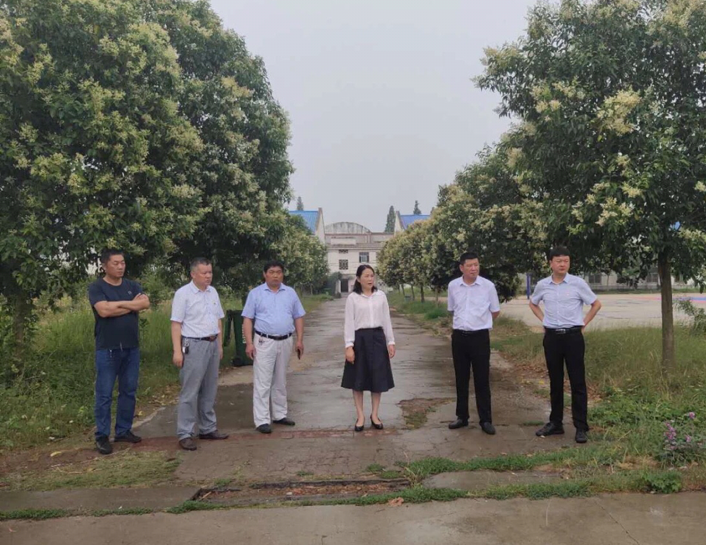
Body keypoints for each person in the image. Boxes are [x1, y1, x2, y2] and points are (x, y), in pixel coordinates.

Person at [529, 246, 602, 444]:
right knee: (555, 381)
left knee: (577, 382)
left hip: (573, 338)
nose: (563, 264)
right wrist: (544, 320)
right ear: (551, 263)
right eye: (559, 261)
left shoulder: (578, 283)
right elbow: (533, 303)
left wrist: (583, 323)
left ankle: (581, 426)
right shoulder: (543, 285)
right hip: (552, 338)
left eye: (566, 261)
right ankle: (556, 423)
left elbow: (596, 304)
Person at [88, 249, 151, 455]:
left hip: (131, 347)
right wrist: (132, 305)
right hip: (108, 348)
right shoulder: (97, 287)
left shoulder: (132, 285)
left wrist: (119, 305)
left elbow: (145, 303)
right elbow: (104, 311)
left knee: (129, 391)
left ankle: (123, 430)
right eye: (116, 263)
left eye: (122, 262)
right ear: (105, 265)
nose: (120, 266)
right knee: (104, 393)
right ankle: (102, 436)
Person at [171, 258, 228, 451]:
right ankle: (185, 433)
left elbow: (218, 320)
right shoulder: (183, 294)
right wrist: (177, 351)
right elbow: (176, 324)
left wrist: (219, 346)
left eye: (210, 272)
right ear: (193, 274)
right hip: (193, 344)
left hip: (212, 343)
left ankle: (208, 428)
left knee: (210, 388)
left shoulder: (213, 292)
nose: (208, 276)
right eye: (204, 273)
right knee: (190, 390)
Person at [242, 261, 305, 434]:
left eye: (278, 272)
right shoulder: (256, 294)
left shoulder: (290, 293)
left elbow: (298, 316)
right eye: (271, 272)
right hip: (264, 341)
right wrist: (249, 343)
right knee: (263, 381)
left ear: (283, 274)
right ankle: (262, 419)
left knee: (280, 379)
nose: (275, 275)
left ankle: (280, 414)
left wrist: (299, 340)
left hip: (285, 340)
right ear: (265, 274)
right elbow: (247, 319)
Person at [447, 251, 500, 434]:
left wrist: (480, 322)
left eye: (476, 265)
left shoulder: (488, 286)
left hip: (480, 337)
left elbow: (495, 311)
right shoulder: (453, 286)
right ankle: (462, 417)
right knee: (461, 378)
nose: (473, 268)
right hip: (459, 337)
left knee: (482, 379)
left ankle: (485, 420)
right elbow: (452, 309)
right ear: (462, 267)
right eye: (469, 265)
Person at [341, 264, 396, 431]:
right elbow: (349, 322)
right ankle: (360, 416)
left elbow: (386, 319)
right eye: (366, 276)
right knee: (358, 379)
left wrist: (390, 341)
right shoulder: (353, 298)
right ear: (358, 279)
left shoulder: (381, 296)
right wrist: (349, 346)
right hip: (360, 340)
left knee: (377, 379)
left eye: (372, 275)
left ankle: (375, 415)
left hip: (378, 338)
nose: (370, 279)